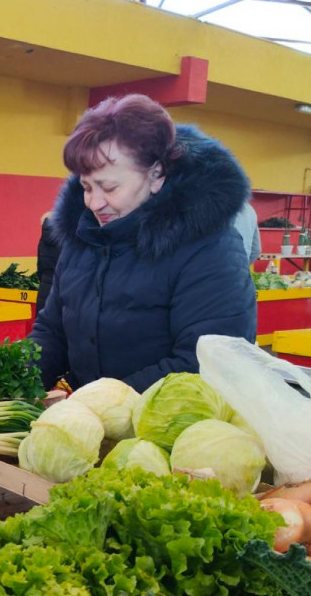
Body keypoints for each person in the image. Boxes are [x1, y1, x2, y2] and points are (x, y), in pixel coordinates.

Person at [29, 93, 256, 393]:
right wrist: (12, 380)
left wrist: (96, 407)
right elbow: (53, 331)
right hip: (90, 424)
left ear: (156, 174)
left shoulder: (209, 248)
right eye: (85, 187)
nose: (95, 203)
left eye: (109, 187)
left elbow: (204, 363)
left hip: (169, 430)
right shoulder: (82, 239)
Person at [35, 211, 60, 316]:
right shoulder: (67, 238)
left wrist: (43, 279)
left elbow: (39, 263)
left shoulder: (43, 240)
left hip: (46, 284)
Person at [231, 199, 261, 264]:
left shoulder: (213, 207)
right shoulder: (250, 210)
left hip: (214, 269)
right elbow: (256, 250)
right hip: (241, 270)